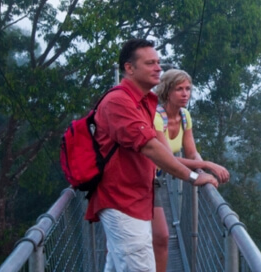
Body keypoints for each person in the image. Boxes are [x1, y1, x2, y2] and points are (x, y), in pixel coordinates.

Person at [84, 38, 218, 272]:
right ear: (129, 68)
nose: (158, 68)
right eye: (150, 63)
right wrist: (194, 176)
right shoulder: (119, 101)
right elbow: (151, 147)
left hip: (138, 197)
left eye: (158, 62)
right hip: (122, 201)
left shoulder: (143, 102)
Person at [150, 69, 230, 271]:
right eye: (179, 89)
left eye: (188, 89)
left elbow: (192, 152)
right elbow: (168, 159)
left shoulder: (185, 116)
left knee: (160, 237)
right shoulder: (156, 118)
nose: (185, 94)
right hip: (141, 179)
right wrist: (208, 165)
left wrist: (202, 169)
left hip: (155, 181)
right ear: (167, 91)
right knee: (153, 238)